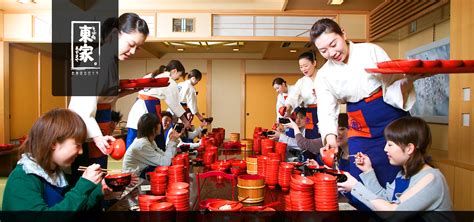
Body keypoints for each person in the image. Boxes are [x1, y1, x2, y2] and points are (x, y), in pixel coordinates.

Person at [311, 18, 419, 188]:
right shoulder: (324, 75)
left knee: (402, 172)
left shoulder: (370, 51)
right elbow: (326, 110)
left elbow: (391, 84)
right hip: (360, 125)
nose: (331, 53)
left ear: (343, 34)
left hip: (391, 118)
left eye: (333, 44)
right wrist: (330, 138)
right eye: (323, 50)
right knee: (359, 173)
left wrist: (408, 81)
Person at [68, 13, 149, 181]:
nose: (133, 51)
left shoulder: (110, 60)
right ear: (114, 35)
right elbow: (81, 108)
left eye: (138, 47)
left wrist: (132, 89)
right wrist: (97, 137)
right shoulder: (95, 61)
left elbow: (105, 97)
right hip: (87, 131)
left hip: (100, 128)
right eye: (131, 44)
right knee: (88, 180)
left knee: (99, 176)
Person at [337, 117, 452, 219]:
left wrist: (355, 187)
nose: (385, 149)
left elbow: (391, 213)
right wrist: (368, 170)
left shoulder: (431, 178)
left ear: (409, 148)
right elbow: (386, 200)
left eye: (390, 144)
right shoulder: (402, 174)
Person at [2, 109, 113, 214]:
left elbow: (70, 208)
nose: (81, 152)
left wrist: (99, 190)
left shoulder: (54, 171)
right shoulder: (23, 178)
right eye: (77, 145)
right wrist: (83, 186)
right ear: (53, 143)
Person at [126, 60, 191, 150]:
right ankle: (157, 163)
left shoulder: (151, 75)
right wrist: (185, 121)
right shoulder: (169, 81)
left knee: (132, 141)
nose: (177, 79)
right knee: (156, 141)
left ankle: (130, 163)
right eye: (179, 76)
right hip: (149, 109)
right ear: (174, 71)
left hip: (136, 108)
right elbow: (175, 105)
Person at [122, 113, 181, 178]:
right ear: (153, 128)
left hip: (140, 177)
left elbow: (164, 156)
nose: (160, 125)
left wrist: (172, 140)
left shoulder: (149, 141)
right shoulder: (142, 145)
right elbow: (166, 163)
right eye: (158, 123)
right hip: (132, 182)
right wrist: (172, 141)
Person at [283, 51, 320, 139]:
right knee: (310, 135)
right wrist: (288, 107)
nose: (303, 69)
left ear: (314, 63)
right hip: (310, 113)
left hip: (325, 110)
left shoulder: (324, 76)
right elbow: (292, 96)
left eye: (306, 66)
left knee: (324, 135)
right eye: (301, 67)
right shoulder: (301, 81)